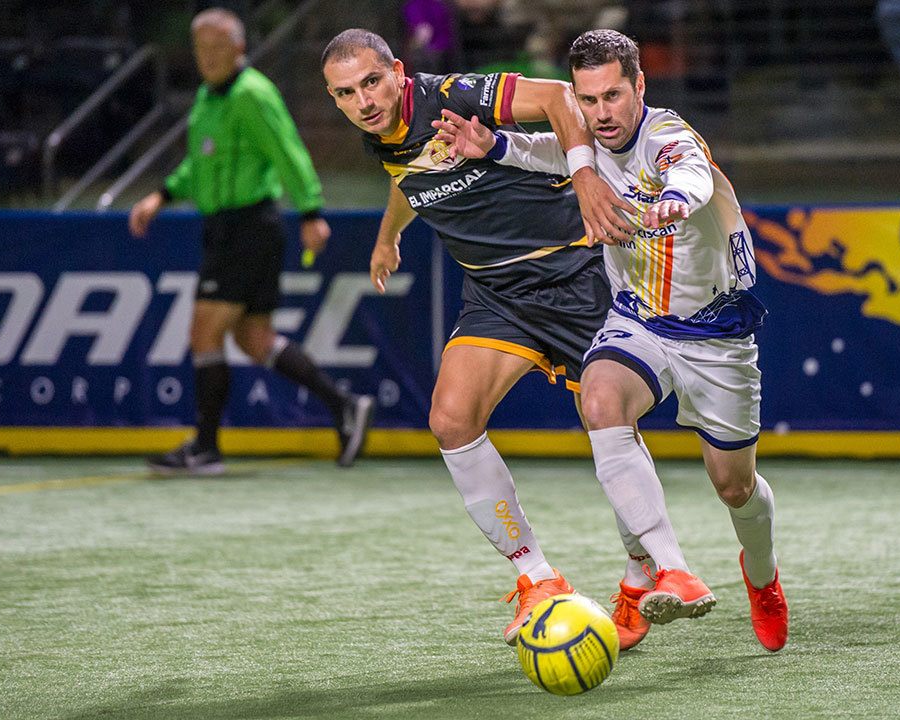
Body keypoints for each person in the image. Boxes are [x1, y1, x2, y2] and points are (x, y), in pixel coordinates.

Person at [432, 28, 790, 652]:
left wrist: (672, 203)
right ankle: (670, 569)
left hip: (717, 337)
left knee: (734, 486)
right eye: (588, 99)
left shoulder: (668, 138)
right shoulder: (590, 143)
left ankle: (762, 578)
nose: (601, 114)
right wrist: (490, 145)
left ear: (639, 86)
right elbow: (546, 151)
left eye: (613, 96)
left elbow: (693, 176)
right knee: (598, 400)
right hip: (637, 321)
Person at [320, 28, 639, 646]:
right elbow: (408, 172)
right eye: (345, 93)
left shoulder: (455, 95)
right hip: (497, 296)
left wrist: (582, 176)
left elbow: (558, 99)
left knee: (609, 430)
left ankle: (638, 576)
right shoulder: (381, 135)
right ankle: (538, 580)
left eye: (371, 82)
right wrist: (390, 236)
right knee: (451, 419)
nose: (362, 101)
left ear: (398, 73)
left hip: (574, 274)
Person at [129, 8, 374, 476]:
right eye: (200, 49)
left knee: (204, 332)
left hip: (248, 227)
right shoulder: (207, 99)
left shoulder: (252, 94)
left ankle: (204, 448)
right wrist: (161, 195)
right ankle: (344, 404)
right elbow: (199, 165)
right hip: (227, 228)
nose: (208, 58)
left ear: (239, 48)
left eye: (217, 48)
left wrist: (311, 212)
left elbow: (288, 151)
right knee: (252, 338)